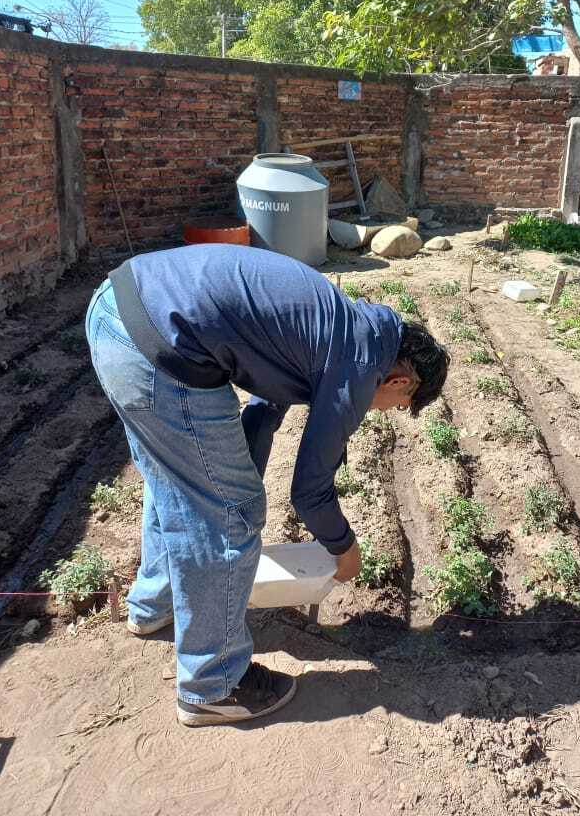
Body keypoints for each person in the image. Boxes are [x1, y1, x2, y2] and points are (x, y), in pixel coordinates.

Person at [84, 243, 449, 727]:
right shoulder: (359, 366)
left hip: (116, 309)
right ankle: (212, 686)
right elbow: (310, 488)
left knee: (177, 482)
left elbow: (262, 411)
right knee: (224, 511)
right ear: (402, 382)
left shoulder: (337, 326)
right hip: (162, 348)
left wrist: (229, 489)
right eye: (400, 406)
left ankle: (153, 606)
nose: (389, 411)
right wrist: (343, 547)